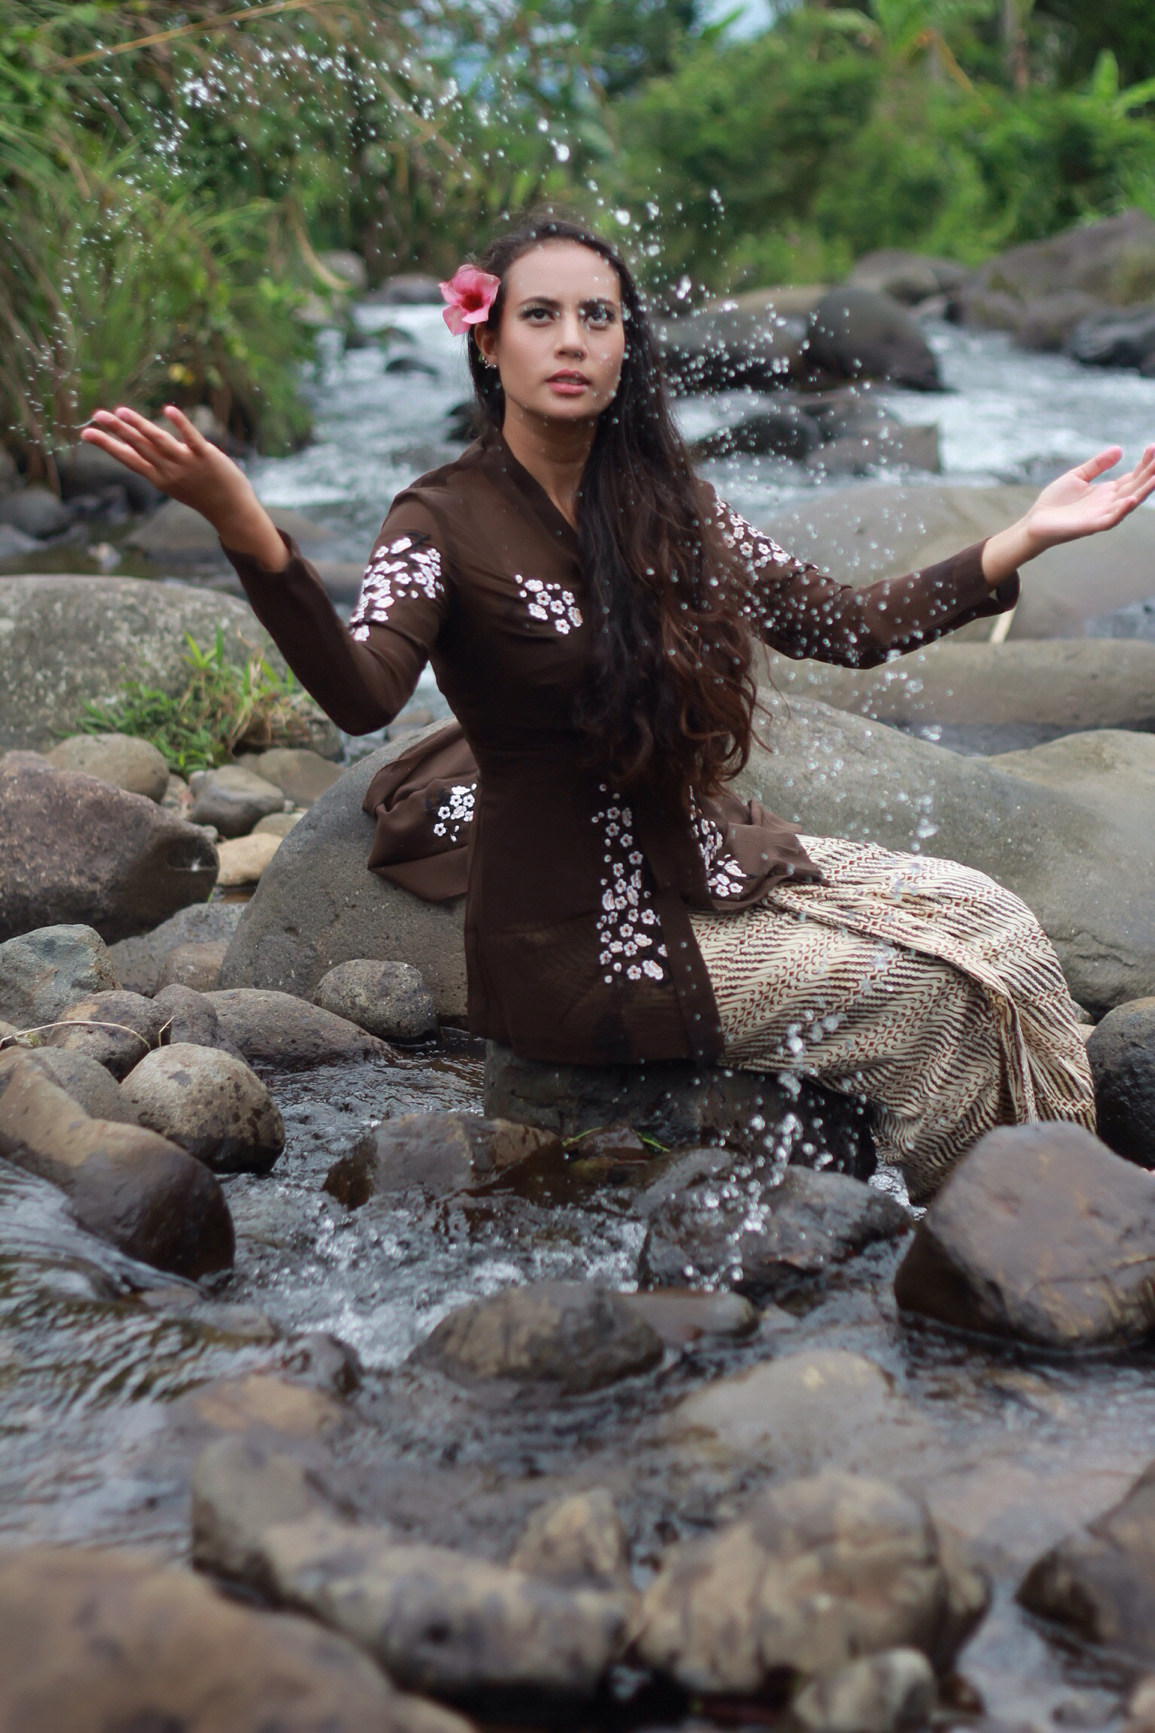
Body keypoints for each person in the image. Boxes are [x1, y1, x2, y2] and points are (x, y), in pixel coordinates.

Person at [82, 217, 1155, 1200]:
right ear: (487, 341)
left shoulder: (674, 506)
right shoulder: (438, 518)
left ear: (626, 344)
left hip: (702, 860)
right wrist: (246, 527)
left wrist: (1021, 536)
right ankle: (980, 1237)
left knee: (994, 921)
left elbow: (843, 624)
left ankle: (1074, 1203)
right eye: (540, 315)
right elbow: (361, 695)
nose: (572, 340)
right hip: (576, 935)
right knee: (927, 997)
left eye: (597, 316)